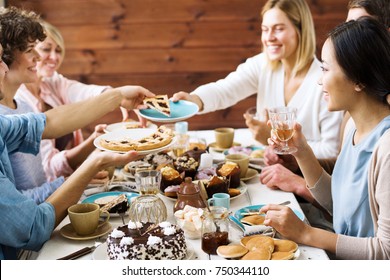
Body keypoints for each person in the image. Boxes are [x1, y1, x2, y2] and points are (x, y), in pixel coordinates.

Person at [261, 17, 390, 259]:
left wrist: (306, 234)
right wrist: (301, 151)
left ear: (359, 79)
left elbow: (386, 251)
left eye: (326, 69)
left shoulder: (387, 148)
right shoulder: (352, 125)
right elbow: (339, 205)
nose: (320, 80)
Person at [173, 0, 343, 159]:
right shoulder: (263, 64)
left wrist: (275, 139)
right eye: (265, 29)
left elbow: (331, 151)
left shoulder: (323, 82)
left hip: (301, 182)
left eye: (278, 29)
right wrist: (194, 100)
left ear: (300, 31)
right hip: (265, 168)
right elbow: (225, 90)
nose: (269, 37)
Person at [0, 7, 124, 203]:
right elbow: (14, 205)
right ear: (6, 57)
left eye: (57, 50)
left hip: (46, 213)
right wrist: (77, 179)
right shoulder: (6, 119)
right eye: (31, 50)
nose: (40, 57)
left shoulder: (22, 106)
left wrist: (118, 96)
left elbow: (39, 182)